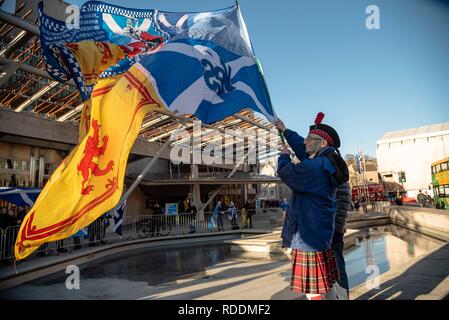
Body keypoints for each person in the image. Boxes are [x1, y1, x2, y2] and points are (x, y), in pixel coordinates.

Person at [276, 113, 349, 300]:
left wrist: (284, 156)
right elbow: (303, 146)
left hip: (308, 234)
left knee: (312, 290)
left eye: (310, 139)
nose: (306, 142)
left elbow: (287, 172)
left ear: (323, 143)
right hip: (320, 233)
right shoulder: (328, 161)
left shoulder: (316, 167)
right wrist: (285, 130)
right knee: (327, 283)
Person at [332, 181, 352, 299]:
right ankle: (341, 296)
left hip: (332, 228)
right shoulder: (340, 174)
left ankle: (342, 297)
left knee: (337, 267)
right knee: (338, 266)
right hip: (336, 227)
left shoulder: (333, 172)